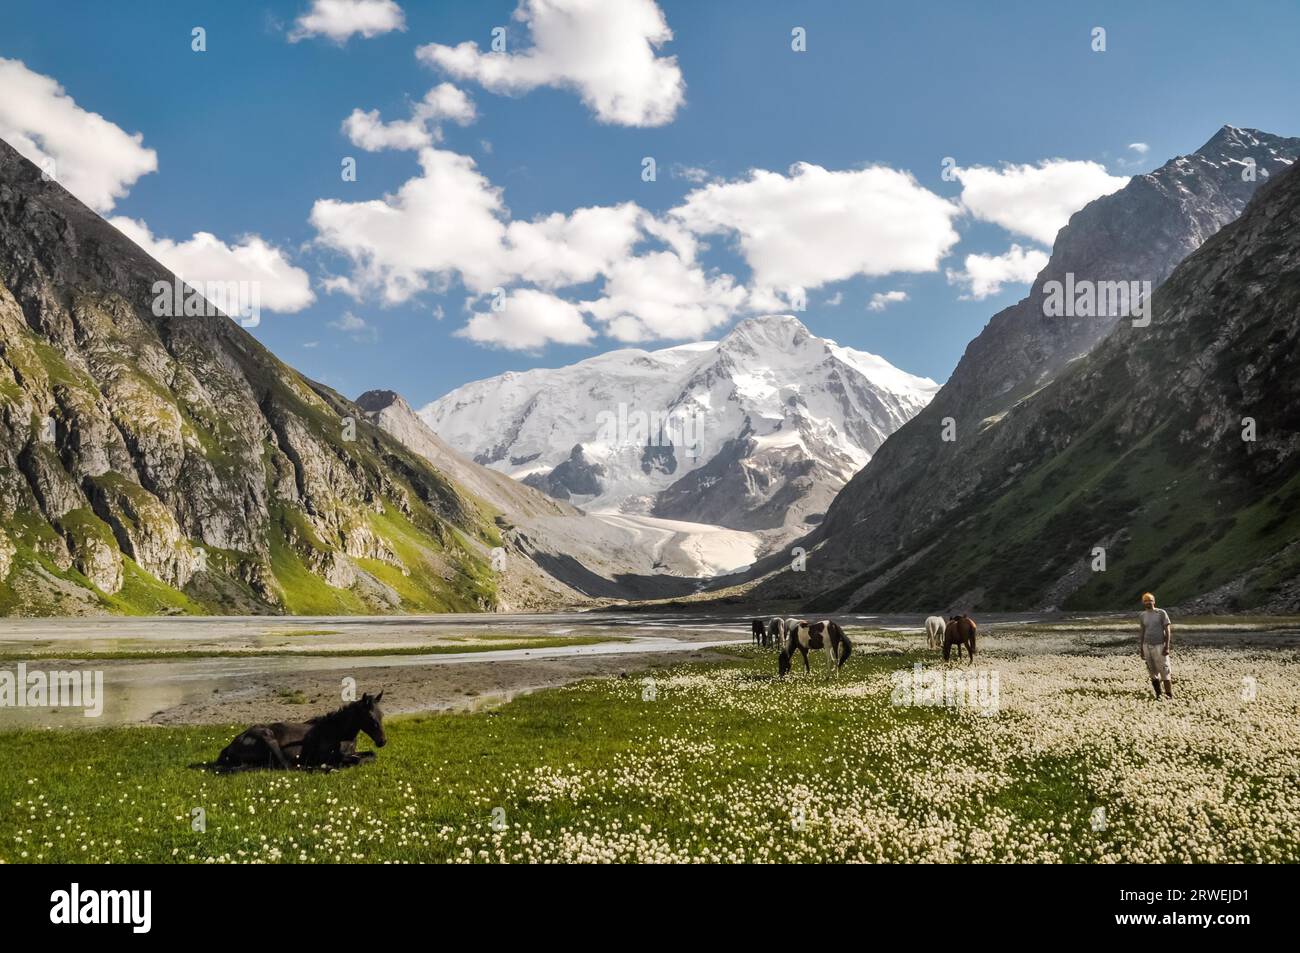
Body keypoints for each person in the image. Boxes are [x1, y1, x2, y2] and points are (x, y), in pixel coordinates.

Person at [1138, 592, 1172, 698]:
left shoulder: (1161, 613)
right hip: (1147, 646)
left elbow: (1167, 630)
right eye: (1146, 601)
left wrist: (1167, 646)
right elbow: (1143, 632)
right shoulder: (1142, 615)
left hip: (1160, 645)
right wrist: (1141, 648)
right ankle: (1158, 695)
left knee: (1165, 670)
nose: (1148, 602)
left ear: (1154, 601)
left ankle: (1169, 695)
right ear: (1143, 603)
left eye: (1150, 600)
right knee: (1152, 671)